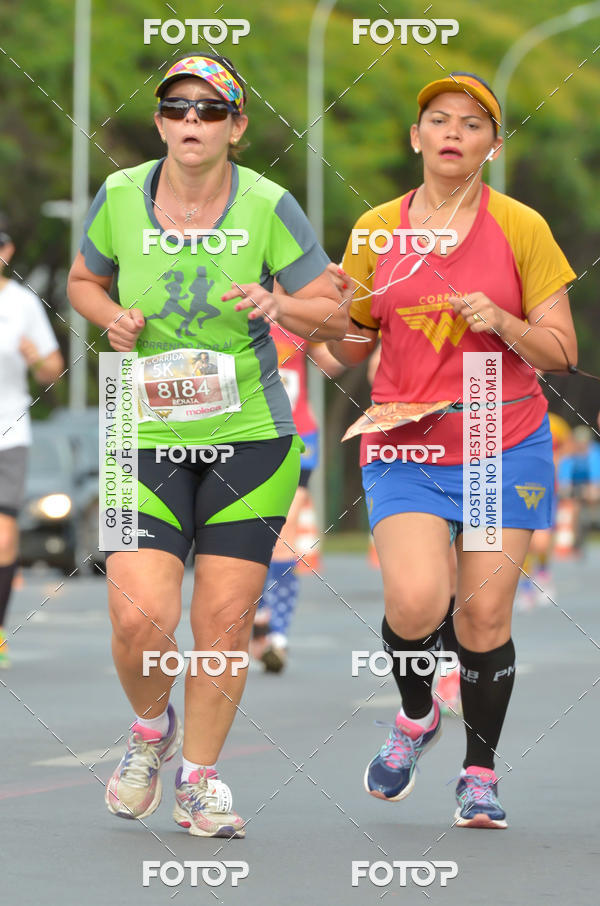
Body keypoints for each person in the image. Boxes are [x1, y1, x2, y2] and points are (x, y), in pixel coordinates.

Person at [67, 53, 346, 837]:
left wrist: (280, 301)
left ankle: (200, 779)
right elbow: (83, 280)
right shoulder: (121, 195)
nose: (193, 122)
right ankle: (150, 733)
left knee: (222, 621)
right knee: (139, 617)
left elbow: (333, 312)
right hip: (140, 432)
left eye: (210, 110)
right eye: (178, 108)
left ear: (237, 128)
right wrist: (108, 316)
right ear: (159, 122)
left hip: (249, 437)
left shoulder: (269, 205)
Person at [328, 72, 577, 828]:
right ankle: (414, 718)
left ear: (490, 148)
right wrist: (310, 314)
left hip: (502, 440)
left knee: (482, 616)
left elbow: (562, 350)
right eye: (438, 119)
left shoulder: (521, 226)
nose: (452, 132)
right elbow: (349, 345)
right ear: (416, 137)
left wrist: (502, 320)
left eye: (472, 124)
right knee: (414, 602)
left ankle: (478, 771)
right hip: (405, 442)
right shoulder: (376, 228)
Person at [251, 321, 344, 671]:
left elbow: (332, 363)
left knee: (283, 532)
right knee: (253, 531)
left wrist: (344, 317)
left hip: (299, 434)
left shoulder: (298, 315)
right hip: (251, 435)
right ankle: (258, 611)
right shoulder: (233, 305)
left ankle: (278, 637)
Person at [0, 218, 64, 668]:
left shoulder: (22, 303)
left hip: (9, 431)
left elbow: (52, 368)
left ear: (7, 251)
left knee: (3, 537)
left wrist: (36, 358)